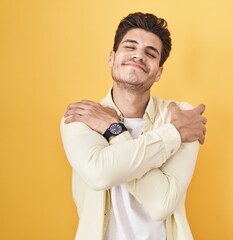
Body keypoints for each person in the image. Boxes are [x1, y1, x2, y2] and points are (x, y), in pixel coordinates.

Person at [60, 12, 207, 240]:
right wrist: (173, 134)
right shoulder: (82, 116)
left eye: (150, 53)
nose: (138, 55)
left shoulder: (180, 115)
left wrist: (113, 129)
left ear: (159, 72)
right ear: (111, 57)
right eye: (130, 47)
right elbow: (100, 174)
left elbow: (161, 204)